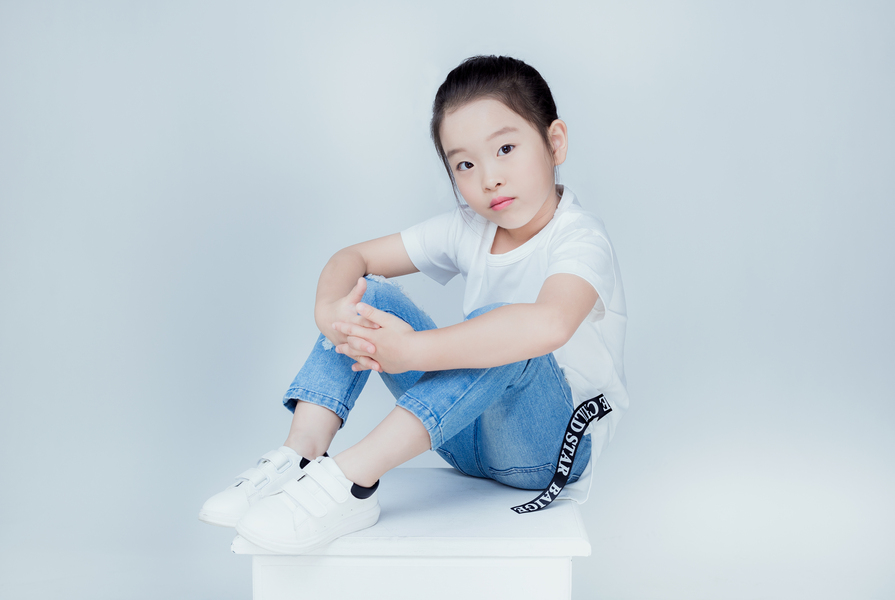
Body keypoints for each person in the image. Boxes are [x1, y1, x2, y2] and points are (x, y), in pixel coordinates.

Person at [199, 55, 628, 554]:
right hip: (463, 438)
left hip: (546, 450)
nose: (489, 178)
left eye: (506, 149)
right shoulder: (471, 227)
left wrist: (414, 352)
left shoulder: (580, 239)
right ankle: (301, 456)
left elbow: (549, 324)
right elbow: (353, 258)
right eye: (465, 164)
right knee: (368, 294)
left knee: (504, 327)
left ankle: (351, 482)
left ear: (555, 143)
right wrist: (329, 310)